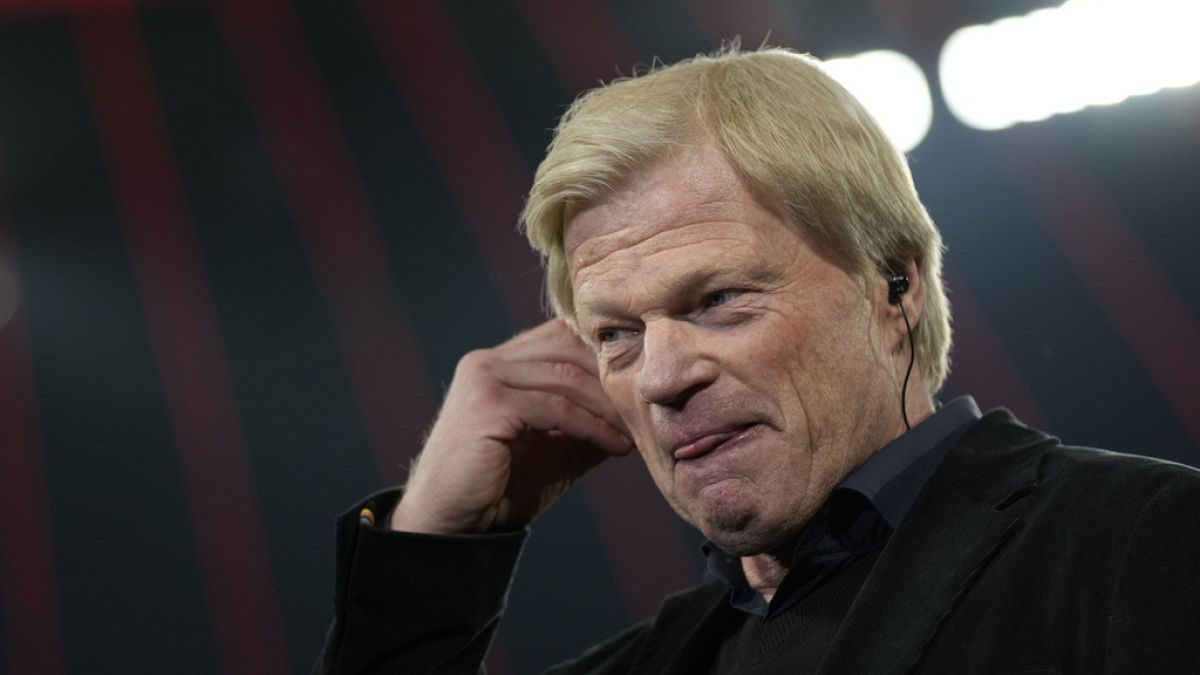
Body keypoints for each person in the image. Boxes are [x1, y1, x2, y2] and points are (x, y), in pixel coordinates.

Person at [314, 47, 1200, 674]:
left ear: (894, 285)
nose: (662, 377)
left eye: (717, 299)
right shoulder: (650, 662)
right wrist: (432, 542)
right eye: (615, 333)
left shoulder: (1148, 545)